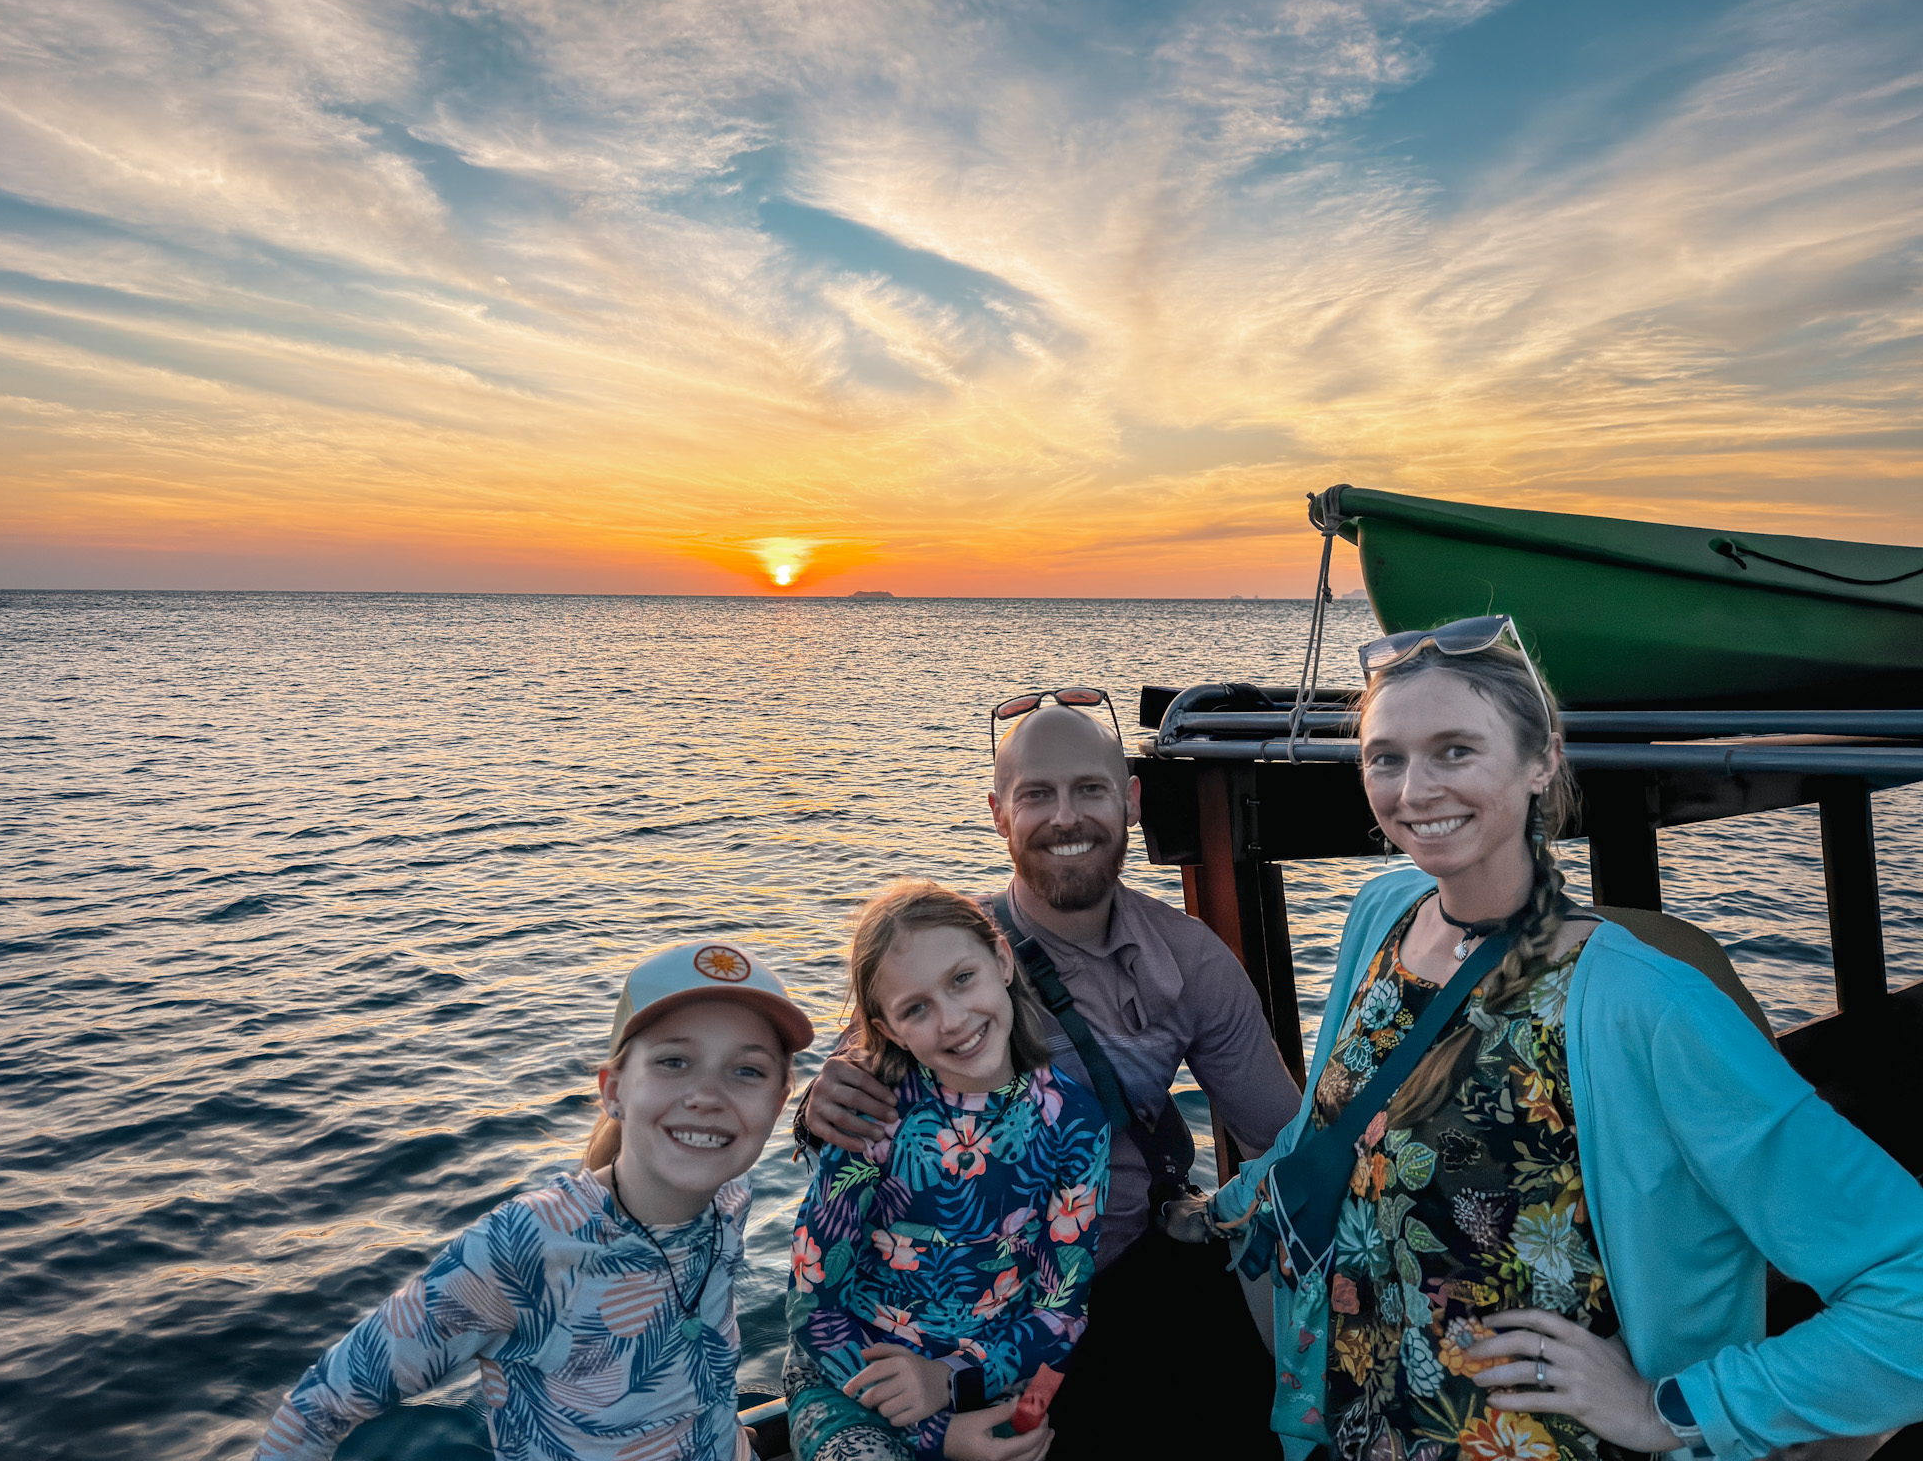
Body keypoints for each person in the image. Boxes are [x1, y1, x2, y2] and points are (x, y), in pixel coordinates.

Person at [1165, 617, 1923, 1460]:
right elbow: (1332, 1136)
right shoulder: (1383, 917)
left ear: (1542, 760)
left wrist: (1666, 1409)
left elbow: (1909, 1286)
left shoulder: (1645, 1004)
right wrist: (1210, 1208)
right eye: (1386, 758)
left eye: (1456, 750)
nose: (1414, 790)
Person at [800, 695, 1302, 1454]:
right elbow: (821, 1257)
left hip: (1098, 1296)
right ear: (999, 814)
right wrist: (819, 1104)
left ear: (1131, 801)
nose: (1066, 817)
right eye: (1037, 794)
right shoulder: (937, 959)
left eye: (1089, 789)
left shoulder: (1182, 972)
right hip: (931, 1320)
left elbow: (1283, 1147)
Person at [251, 941, 816, 1461]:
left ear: (779, 1102)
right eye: (674, 1061)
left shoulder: (729, 1197)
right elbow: (316, 1408)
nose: (708, 1096)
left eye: (747, 1070)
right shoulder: (524, 1247)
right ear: (613, 1091)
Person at [784, 880, 1110, 1461]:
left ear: (1002, 961)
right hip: (848, 1378)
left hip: (987, 1377)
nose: (953, 1020)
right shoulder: (876, 1118)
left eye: (962, 978)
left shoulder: (1076, 1124)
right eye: (916, 1008)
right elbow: (813, 1306)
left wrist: (1019, 1414)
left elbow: (1061, 1313)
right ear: (888, 1029)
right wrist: (936, 1434)